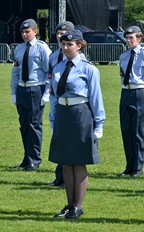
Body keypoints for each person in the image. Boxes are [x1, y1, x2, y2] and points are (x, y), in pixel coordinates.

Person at [49, 29, 105, 219]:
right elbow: (54, 96)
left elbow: (96, 98)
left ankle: (77, 206)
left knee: (78, 162)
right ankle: (69, 204)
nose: (65, 47)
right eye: (63, 44)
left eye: (69, 44)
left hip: (81, 114)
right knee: (65, 162)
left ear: (79, 45)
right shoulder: (58, 67)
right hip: (63, 114)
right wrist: (52, 119)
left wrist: (99, 124)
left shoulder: (89, 69)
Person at [10, 19, 51, 171]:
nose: (25, 34)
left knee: (34, 125)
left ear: (35, 31)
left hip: (36, 89)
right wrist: (14, 92)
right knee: (24, 125)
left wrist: (46, 92)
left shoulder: (42, 48)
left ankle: (34, 159)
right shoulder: (19, 49)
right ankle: (27, 158)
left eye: (28, 31)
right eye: (23, 32)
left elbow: (49, 72)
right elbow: (15, 72)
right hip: (22, 89)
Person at [47, 21, 75, 187]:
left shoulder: (77, 58)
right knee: (58, 137)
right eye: (58, 33)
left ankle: (68, 177)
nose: (60, 35)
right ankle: (60, 175)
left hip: (72, 103)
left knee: (70, 139)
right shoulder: (53, 56)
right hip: (56, 100)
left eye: (64, 33)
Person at [118, 26, 144, 177]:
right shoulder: (124, 56)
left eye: (132, 38)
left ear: (139, 38)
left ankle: (138, 167)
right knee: (126, 130)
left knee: (137, 130)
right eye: (127, 38)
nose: (129, 40)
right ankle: (129, 165)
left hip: (139, 91)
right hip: (125, 91)